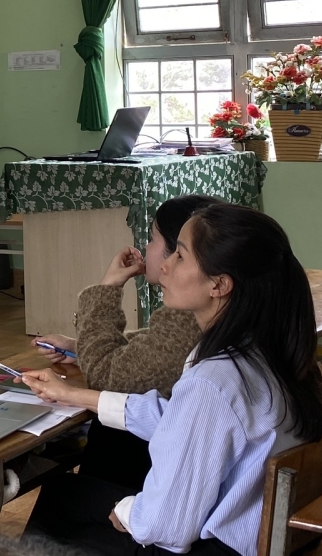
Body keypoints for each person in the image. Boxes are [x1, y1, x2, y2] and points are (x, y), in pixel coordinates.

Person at [20, 205, 322, 556]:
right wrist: (73, 395)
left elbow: (165, 526)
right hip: (276, 542)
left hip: (218, 550)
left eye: (180, 255)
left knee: (63, 499)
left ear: (219, 284)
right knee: (77, 488)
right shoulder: (284, 355)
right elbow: (182, 421)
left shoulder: (213, 379)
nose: (165, 265)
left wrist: (127, 510)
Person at [34, 195, 220, 488]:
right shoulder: (218, 310)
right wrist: (81, 348)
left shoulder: (189, 318)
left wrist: (108, 286)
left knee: (71, 475)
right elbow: (154, 348)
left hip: (152, 478)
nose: (147, 249)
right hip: (178, 468)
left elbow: (106, 376)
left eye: (153, 239)